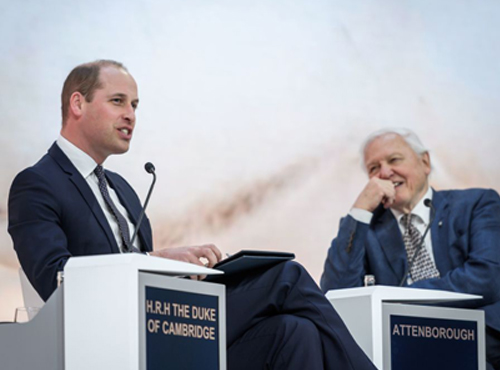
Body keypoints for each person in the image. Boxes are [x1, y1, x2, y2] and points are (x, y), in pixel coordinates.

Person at [8, 60, 375, 370]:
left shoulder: (122, 188)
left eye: (135, 105)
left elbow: (139, 269)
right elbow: (56, 279)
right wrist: (153, 259)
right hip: (119, 335)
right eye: (118, 101)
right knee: (286, 277)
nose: (130, 115)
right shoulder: (37, 184)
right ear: (78, 103)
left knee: (295, 331)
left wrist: (180, 271)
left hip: (169, 321)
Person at [320, 128, 500, 370]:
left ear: (424, 162)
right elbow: (336, 296)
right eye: (374, 168)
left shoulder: (476, 204)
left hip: (476, 336)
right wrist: (360, 209)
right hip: (400, 345)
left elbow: (487, 277)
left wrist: (402, 299)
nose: (384, 172)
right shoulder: (365, 227)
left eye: (394, 160)